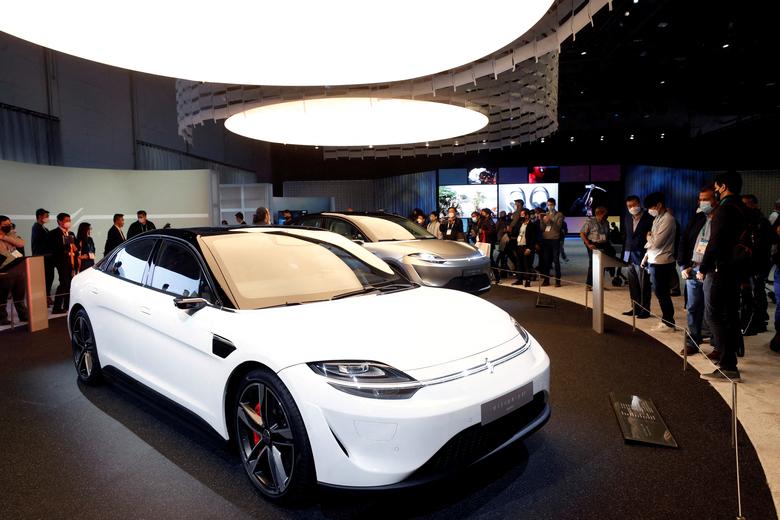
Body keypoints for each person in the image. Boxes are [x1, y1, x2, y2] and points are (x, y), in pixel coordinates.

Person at [698, 171, 748, 382]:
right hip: (735, 270)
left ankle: (728, 365)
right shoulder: (743, 207)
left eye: (717, 186)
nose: (716, 190)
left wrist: (703, 267)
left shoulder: (725, 209)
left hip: (720, 270)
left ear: (723, 186)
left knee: (714, 316)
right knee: (729, 316)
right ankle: (730, 362)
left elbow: (715, 243)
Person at [678, 186, 718, 356]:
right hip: (693, 268)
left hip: (711, 271)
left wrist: (706, 267)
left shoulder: (720, 219)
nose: (703, 202)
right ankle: (693, 340)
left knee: (713, 310)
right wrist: (683, 264)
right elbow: (684, 241)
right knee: (693, 307)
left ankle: (717, 345)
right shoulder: (697, 218)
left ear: (715, 200)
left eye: (706, 199)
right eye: (701, 199)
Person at [641, 192, 677, 332]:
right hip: (654, 260)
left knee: (662, 293)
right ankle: (666, 320)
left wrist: (648, 236)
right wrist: (645, 258)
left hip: (663, 262)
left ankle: (669, 322)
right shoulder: (657, 219)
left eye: (651, 207)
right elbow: (652, 242)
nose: (650, 210)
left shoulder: (668, 219)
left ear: (659, 205)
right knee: (660, 293)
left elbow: (656, 243)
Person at [740, 194, 772, 335]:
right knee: (750, 294)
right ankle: (753, 320)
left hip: (758, 264)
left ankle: (759, 321)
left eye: (746, 204)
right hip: (748, 264)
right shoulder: (746, 221)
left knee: (757, 293)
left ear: (754, 204)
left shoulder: (762, 222)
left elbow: (763, 245)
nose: (744, 207)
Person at [622, 195, 653, 318]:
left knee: (644, 284)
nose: (632, 208)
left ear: (639, 204)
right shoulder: (627, 218)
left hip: (642, 255)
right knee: (633, 284)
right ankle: (635, 307)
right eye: (629, 206)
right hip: (629, 254)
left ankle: (645, 310)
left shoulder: (649, 218)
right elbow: (628, 238)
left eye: (634, 205)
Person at [0, 215, 29, 324]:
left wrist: (4, 237)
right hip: (4, 269)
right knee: (2, 297)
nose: (8, 226)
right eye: (5, 225)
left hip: (17, 268)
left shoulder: (11, 234)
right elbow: (3, 254)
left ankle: (23, 315)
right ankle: (2, 318)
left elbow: (21, 243)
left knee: (19, 294)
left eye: (9, 224)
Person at [49, 213, 78, 314]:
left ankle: (67, 305)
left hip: (72, 261)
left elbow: (76, 248)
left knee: (70, 283)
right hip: (61, 262)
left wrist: (73, 245)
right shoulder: (53, 233)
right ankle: (57, 307)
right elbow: (54, 249)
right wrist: (64, 244)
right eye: (66, 220)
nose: (68, 222)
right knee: (64, 283)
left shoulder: (71, 233)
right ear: (60, 221)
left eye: (69, 220)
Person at [580, 206, 616, 287]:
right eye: (605, 213)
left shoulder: (606, 222)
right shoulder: (590, 221)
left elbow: (607, 235)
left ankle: (600, 284)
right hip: (593, 244)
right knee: (593, 263)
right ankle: (589, 284)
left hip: (604, 244)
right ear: (600, 213)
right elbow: (582, 234)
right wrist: (588, 244)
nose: (607, 215)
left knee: (605, 261)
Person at [31, 208, 55, 302]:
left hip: (48, 258)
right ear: (40, 216)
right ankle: (44, 298)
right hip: (42, 258)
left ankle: (47, 296)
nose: (48, 218)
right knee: (45, 279)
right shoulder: (36, 227)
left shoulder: (44, 228)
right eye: (46, 216)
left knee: (49, 277)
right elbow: (45, 241)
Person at [510, 208, 539, 287]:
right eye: (520, 215)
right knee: (519, 264)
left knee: (527, 264)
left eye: (522, 215)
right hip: (519, 245)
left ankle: (528, 280)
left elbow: (533, 238)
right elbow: (515, 233)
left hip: (527, 246)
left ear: (527, 215)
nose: (521, 216)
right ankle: (519, 279)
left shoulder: (532, 225)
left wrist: (529, 248)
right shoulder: (520, 224)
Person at [540, 198, 564, 287]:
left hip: (555, 239)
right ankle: (546, 280)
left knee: (556, 260)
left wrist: (550, 220)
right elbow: (542, 228)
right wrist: (541, 220)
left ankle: (558, 280)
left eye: (551, 205)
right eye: (548, 205)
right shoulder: (545, 214)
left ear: (554, 205)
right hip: (546, 239)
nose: (549, 206)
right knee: (546, 260)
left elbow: (558, 227)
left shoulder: (559, 215)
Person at [477, 208, 498, 281]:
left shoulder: (490, 221)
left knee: (490, 259)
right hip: (483, 242)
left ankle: (497, 276)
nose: (481, 214)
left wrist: (483, 232)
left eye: (483, 213)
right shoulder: (483, 221)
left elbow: (493, 231)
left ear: (487, 214)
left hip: (488, 242)